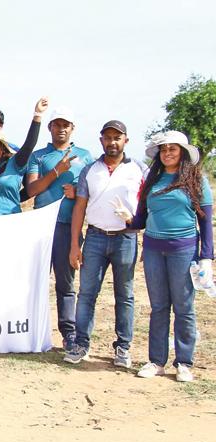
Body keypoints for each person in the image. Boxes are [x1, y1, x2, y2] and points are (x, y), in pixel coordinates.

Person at [129, 131, 211, 382]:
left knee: (184, 307)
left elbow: (205, 222)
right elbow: (142, 218)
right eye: (164, 149)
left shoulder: (197, 180)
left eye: (173, 149)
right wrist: (127, 218)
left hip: (184, 251)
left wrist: (207, 256)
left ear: (183, 152)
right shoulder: (151, 181)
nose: (167, 153)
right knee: (159, 307)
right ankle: (156, 361)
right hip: (153, 249)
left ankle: (184, 362)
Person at [64, 120, 146, 368]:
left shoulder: (140, 169)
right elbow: (80, 206)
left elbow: (150, 204)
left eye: (117, 138)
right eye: (107, 137)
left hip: (126, 238)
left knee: (125, 296)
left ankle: (123, 348)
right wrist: (74, 244)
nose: (112, 142)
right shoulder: (90, 169)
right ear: (101, 140)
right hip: (96, 237)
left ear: (126, 141)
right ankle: (81, 344)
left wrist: (143, 229)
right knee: (87, 294)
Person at [25, 107, 95, 351]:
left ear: (72, 128)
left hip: (68, 227)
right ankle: (31, 328)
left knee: (65, 284)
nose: (61, 128)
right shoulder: (39, 156)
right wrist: (57, 172)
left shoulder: (86, 157)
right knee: (35, 281)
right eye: (57, 124)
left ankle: (69, 333)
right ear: (50, 128)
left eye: (66, 125)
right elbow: (32, 190)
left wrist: (77, 192)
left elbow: (93, 192)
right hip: (40, 226)